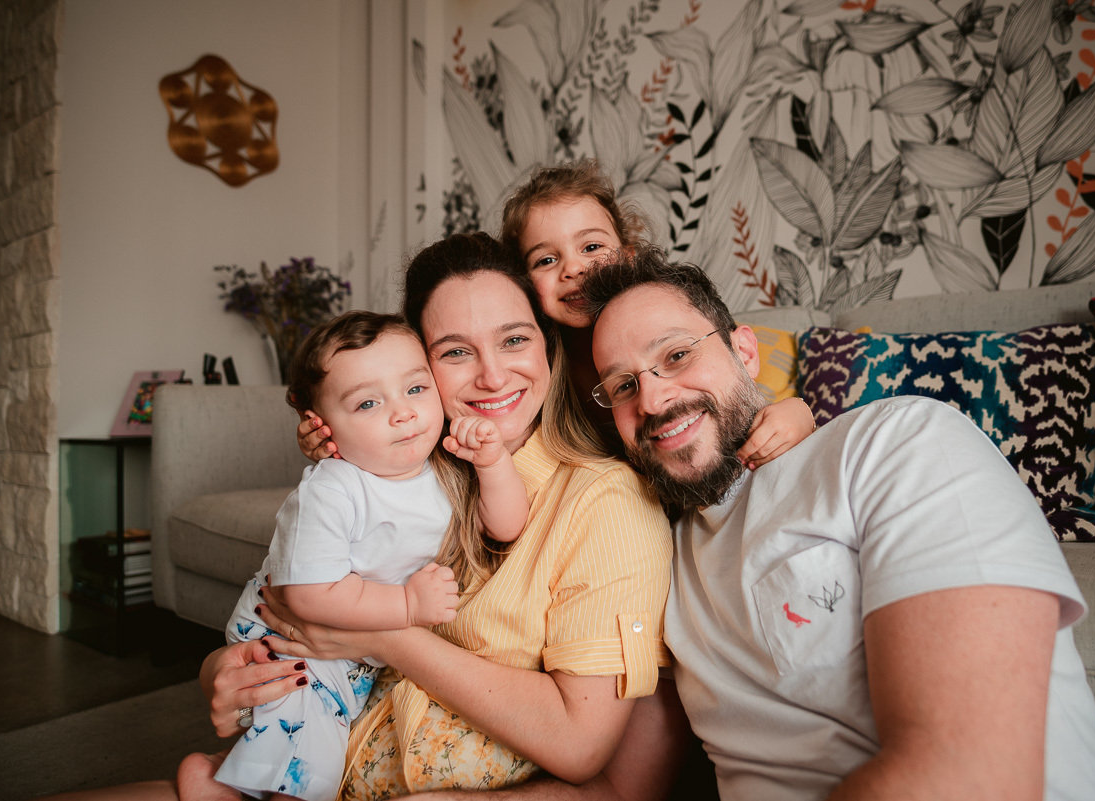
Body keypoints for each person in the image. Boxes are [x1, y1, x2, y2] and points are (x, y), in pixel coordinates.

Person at [566, 249, 1095, 800]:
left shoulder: (900, 443)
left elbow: (966, 778)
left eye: (676, 355)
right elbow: (618, 790)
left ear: (745, 352)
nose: (652, 398)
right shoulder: (654, 556)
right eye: (622, 385)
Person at [199, 233, 675, 800]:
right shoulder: (398, 473)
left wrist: (387, 635)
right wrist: (223, 675)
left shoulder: (601, 501)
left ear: (547, 347)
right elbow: (284, 603)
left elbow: (581, 744)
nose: (493, 377)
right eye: (454, 352)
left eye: (515, 339)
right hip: (324, 751)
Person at [302, 159, 815, 471]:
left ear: (629, 255)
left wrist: (800, 413)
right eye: (546, 260)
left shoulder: (670, 325)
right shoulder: (531, 362)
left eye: (592, 246)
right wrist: (336, 435)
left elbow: (741, 403)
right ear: (525, 288)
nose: (574, 270)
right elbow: (402, 390)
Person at [204, 311, 528, 801]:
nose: (402, 413)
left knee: (313, 756)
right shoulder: (334, 488)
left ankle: (211, 786)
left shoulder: (440, 465)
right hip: (291, 647)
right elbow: (307, 597)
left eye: (416, 389)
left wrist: (494, 463)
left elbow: (505, 526)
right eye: (369, 403)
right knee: (312, 771)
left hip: (347, 652)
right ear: (321, 426)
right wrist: (407, 608)